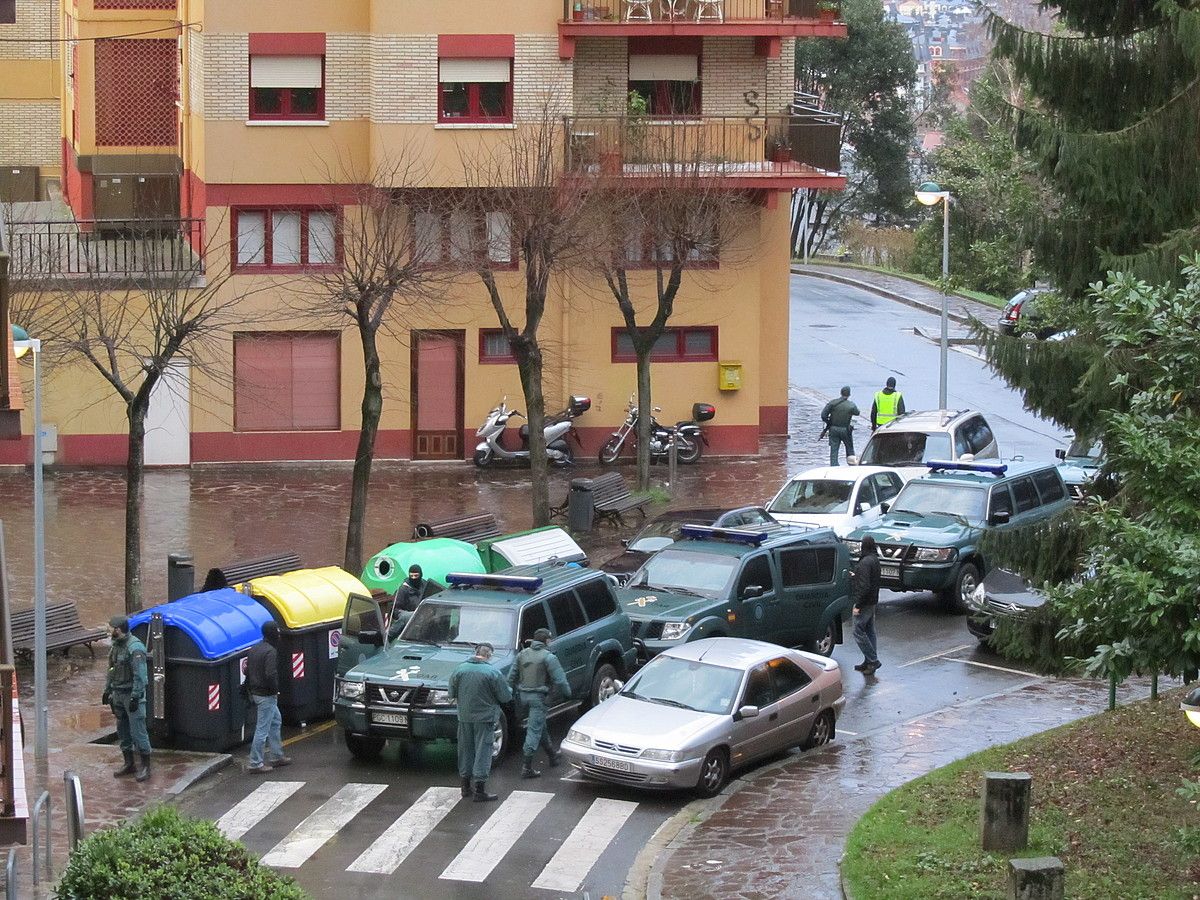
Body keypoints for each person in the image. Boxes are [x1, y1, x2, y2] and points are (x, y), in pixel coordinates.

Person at [448, 642, 512, 802]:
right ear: (489, 655)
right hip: (485, 718)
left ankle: (464, 787)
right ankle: (480, 790)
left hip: (464, 716)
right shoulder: (492, 672)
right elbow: (505, 696)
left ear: (475, 652)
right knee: (483, 751)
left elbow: (451, 693)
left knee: (465, 749)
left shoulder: (459, 669)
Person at [507, 628, 570, 779]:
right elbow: (560, 679)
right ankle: (526, 767)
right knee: (534, 730)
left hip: (523, 697)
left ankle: (552, 755)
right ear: (546, 640)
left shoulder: (522, 654)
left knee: (540, 726)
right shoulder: (548, 657)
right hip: (539, 698)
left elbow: (511, 677)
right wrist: (568, 694)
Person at [102, 615, 152, 782]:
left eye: (111, 628)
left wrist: (135, 697)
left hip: (131, 694)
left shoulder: (135, 648)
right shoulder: (116, 647)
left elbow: (140, 676)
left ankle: (145, 766)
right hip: (118, 694)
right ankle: (129, 763)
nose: (108, 631)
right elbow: (111, 669)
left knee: (138, 731)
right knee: (122, 730)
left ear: (118, 629)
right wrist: (107, 690)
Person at [245, 621, 292, 773]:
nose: (279, 635)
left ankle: (277, 755)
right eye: (277, 633)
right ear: (273, 634)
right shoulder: (270, 651)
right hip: (266, 694)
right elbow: (270, 673)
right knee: (262, 729)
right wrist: (275, 690)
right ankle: (255, 763)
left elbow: (247, 670)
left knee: (275, 721)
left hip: (256, 692)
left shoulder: (255, 648)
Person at [852, 536, 882, 676]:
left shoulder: (865, 562)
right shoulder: (874, 559)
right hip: (873, 600)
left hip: (865, 602)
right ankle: (869, 661)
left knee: (858, 631)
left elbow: (864, 586)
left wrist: (858, 605)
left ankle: (872, 660)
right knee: (870, 631)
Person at [389, 565, 436, 639]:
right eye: (411, 576)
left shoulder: (425, 585)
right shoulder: (403, 589)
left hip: (423, 615)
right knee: (407, 616)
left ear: (421, 575)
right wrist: (409, 614)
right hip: (408, 617)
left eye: (416, 576)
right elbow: (395, 610)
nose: (414, 578)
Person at [821, 386, 860, 466]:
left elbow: (823, 415)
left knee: (834, 450)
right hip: (846, 430)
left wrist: (829, 422)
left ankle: (834, 467)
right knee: (849, 448)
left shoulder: (832, 403)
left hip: (833, 429)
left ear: (840, 393)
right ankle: (852, 465)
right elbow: (857, 412)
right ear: (849, 394)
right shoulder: (851, 405)